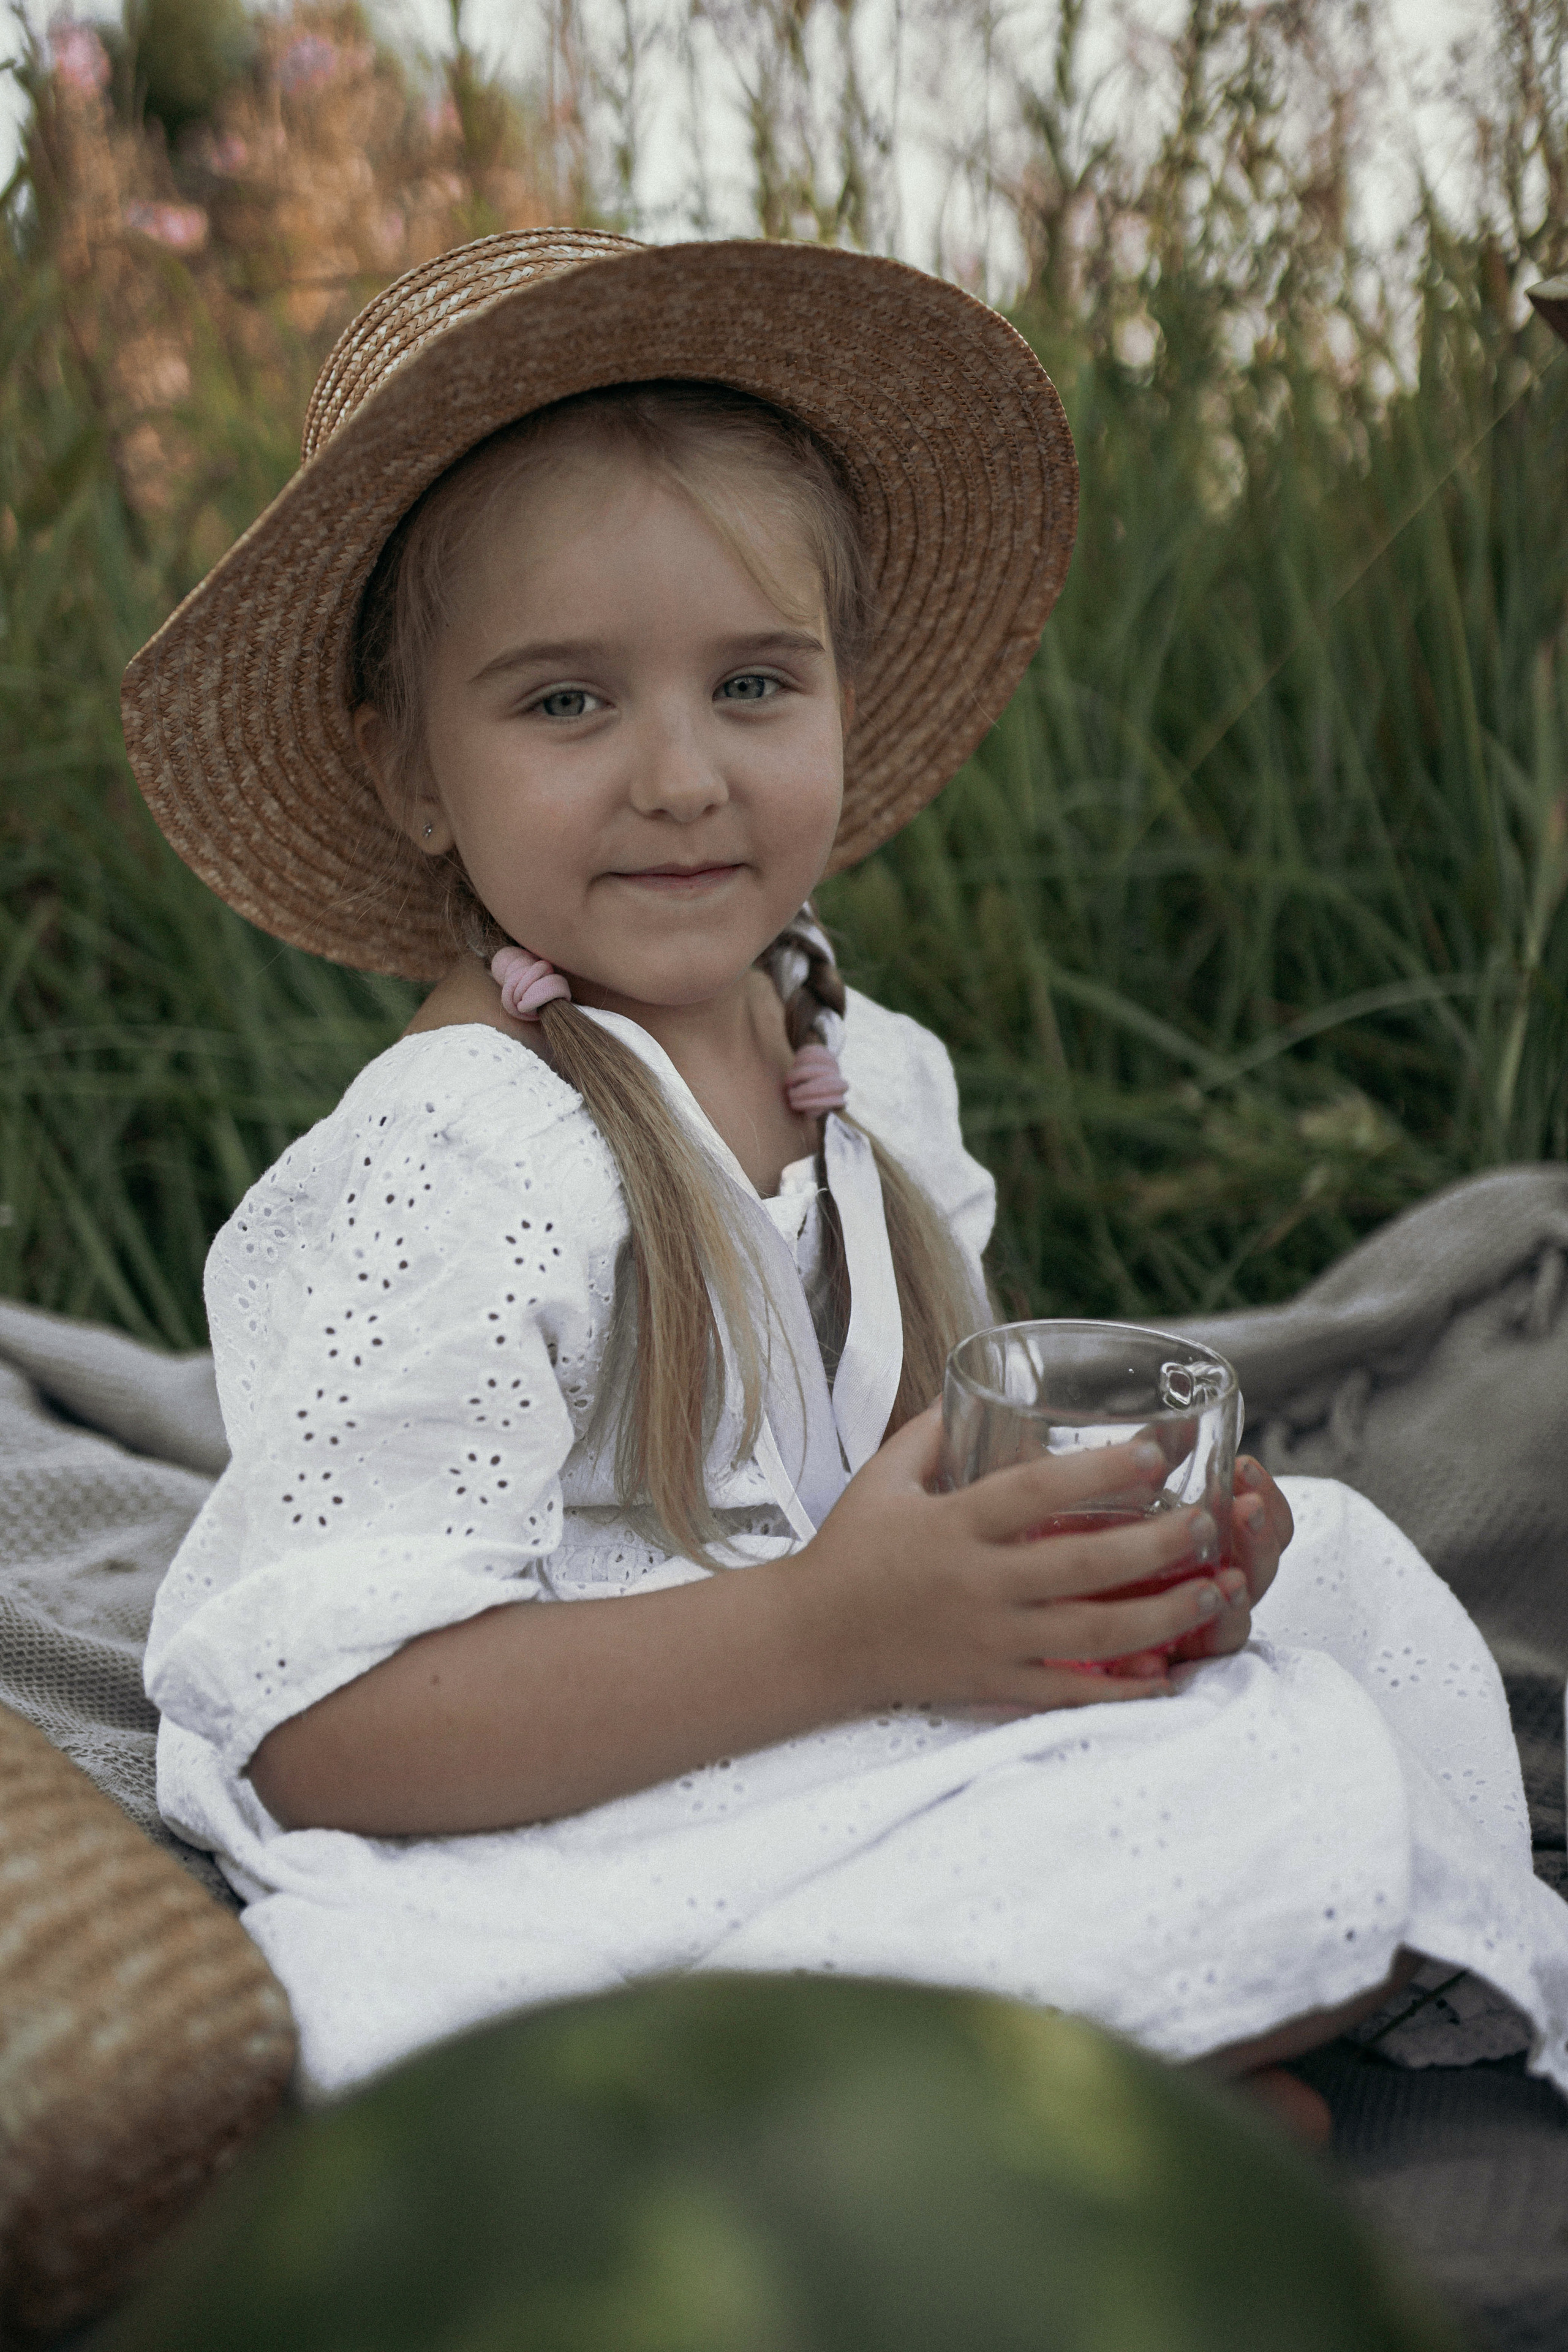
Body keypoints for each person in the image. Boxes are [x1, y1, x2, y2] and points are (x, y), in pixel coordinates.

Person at [130, 230, 1568, 2115]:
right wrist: (836, 1631)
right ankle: (1029, 2087)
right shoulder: (453, 1159)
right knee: (1247, 1824)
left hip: (833, 1729)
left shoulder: (860, 1067)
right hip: (571, 1815)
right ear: (410, 768)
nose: (681, 776)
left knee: (1344, 1606)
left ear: (845, 699)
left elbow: (899, 1483)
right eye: (565, 702)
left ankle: (1086, 2059)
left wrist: (1104, 1573)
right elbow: (323, 1734)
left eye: (753, 684)